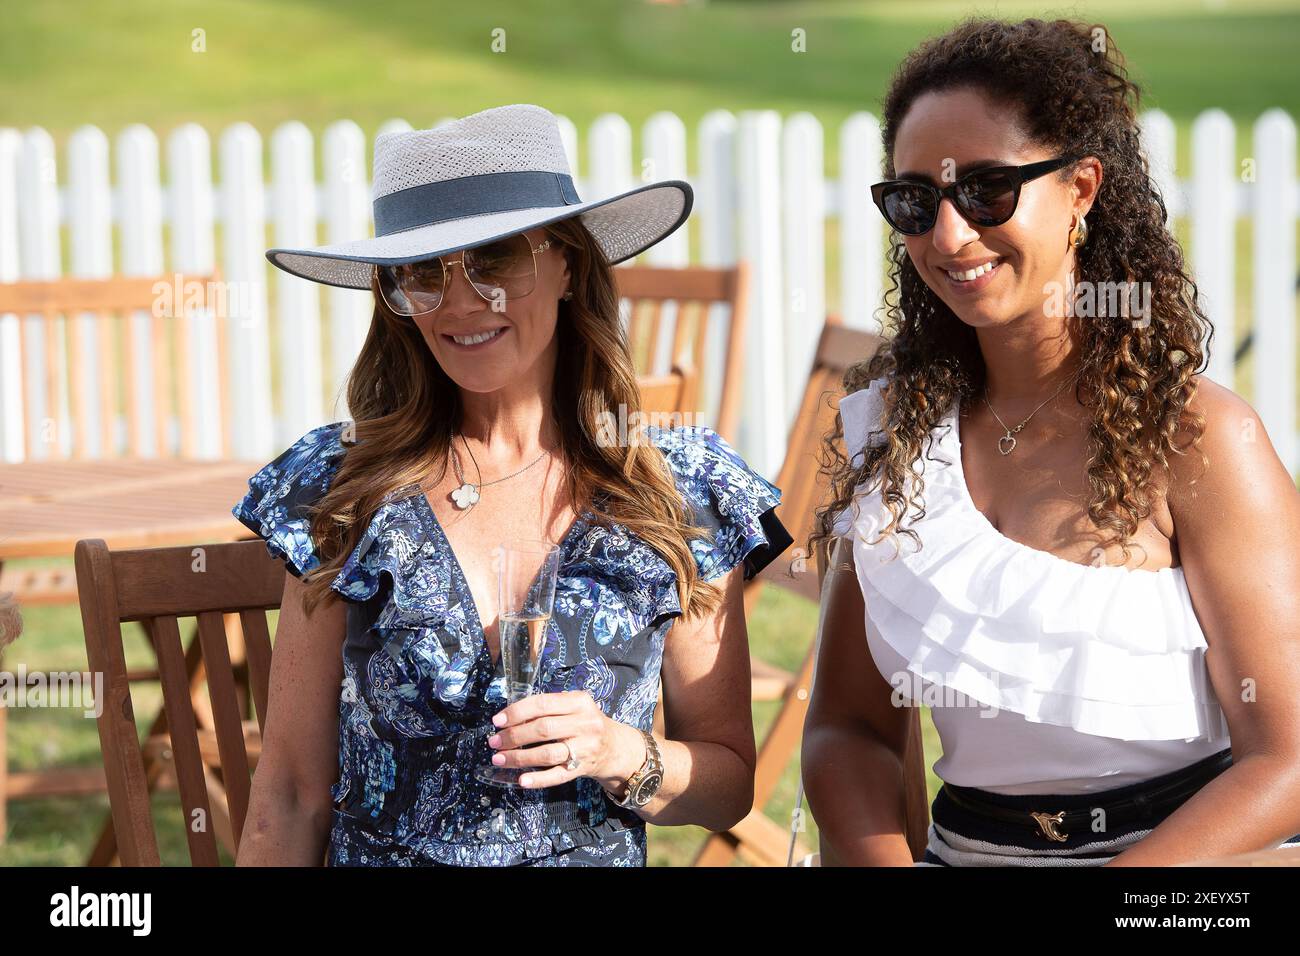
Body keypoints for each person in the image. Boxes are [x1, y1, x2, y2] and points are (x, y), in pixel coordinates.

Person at [233, 104, 792, 866]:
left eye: (495, 260)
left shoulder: (676, 491)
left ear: (568, 264)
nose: (461, 302)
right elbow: (291, 791)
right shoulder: (342, 490)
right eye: (425, 274)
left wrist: (620, 752)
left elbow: (727, 784)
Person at [802, 18, 1300, 866]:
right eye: (916, 201)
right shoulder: (892, 433)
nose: (950, 237)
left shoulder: (1200, 437)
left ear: (1080, 190)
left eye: (989, 190)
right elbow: (849, 729)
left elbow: (1285, 758)